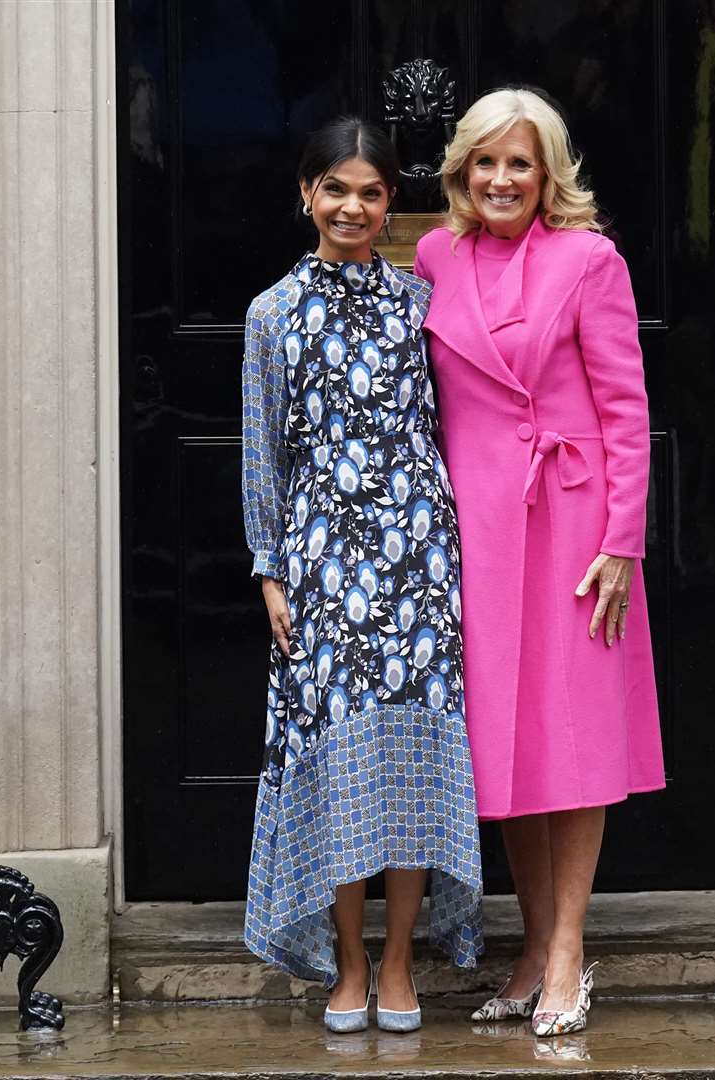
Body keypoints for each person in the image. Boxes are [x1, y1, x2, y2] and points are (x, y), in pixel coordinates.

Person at [414, 87, 663, 1038]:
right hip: (475, 528)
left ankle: (566, 954)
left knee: (575, 741)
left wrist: (621, 541)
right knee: (505, 747)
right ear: (461, 172)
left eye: (519, 162)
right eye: (485, 162)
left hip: (572, 530)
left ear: (548, 171)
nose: (501, 179)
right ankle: (526, 946)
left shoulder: (591, 259)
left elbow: (625, 408)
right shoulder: (435, 255)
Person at [240, 117, 483, 1035]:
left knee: (415, 759)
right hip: (321, 560)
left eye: (370, 191)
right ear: (305, 193)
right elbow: (261, 453)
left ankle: (398, 959)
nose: (352, 206)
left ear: (390, 206)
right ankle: (347, 961)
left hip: (420, 555)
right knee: (344, 767)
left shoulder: (421, 301)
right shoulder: (272, 312)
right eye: (334, 187)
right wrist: (270, 571)